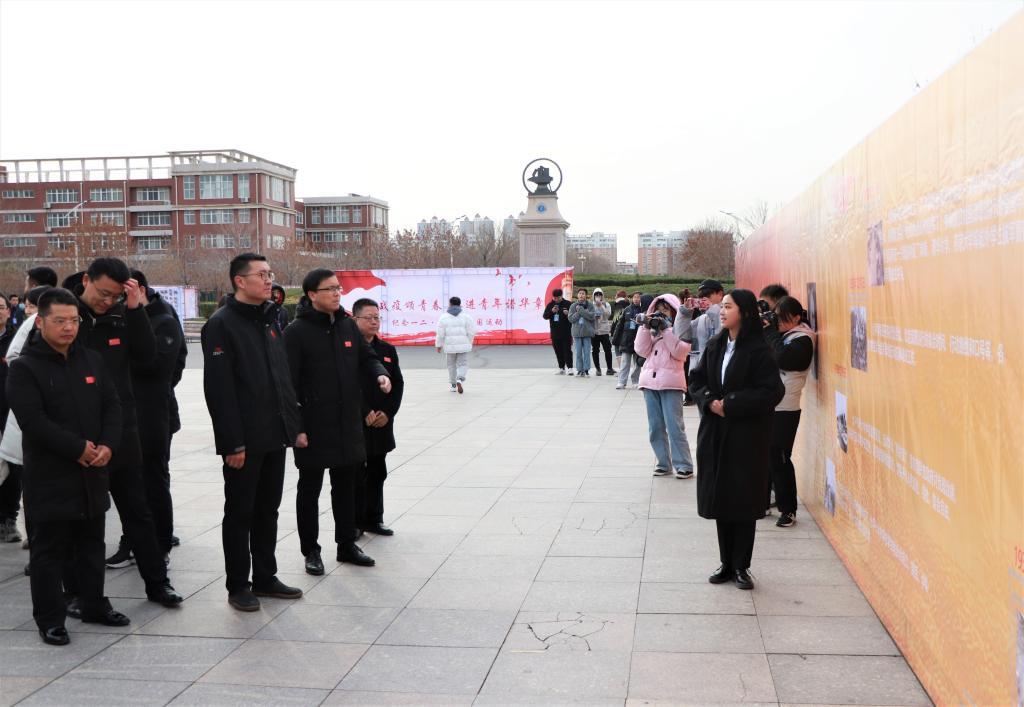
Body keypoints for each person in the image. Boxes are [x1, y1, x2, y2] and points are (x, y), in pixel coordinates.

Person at [6, 288, 129, 644]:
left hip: (92, 470)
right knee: (49, 551)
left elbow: (112, 405)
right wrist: (78, 449)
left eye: (73, 320)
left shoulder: (91, 360)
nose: (68, 328)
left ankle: (94, 605)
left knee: (92, 543)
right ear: (40, 322)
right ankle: (50, 618)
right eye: (59, 321)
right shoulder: (25, 368)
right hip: (50, 474)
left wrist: (107, 445)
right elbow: (33, 421)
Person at [72, 258, 182, 609]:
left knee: (138, 511)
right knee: (86, 519)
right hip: (81, 437)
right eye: (103, 293)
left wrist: (135, 310)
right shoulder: (66, 315)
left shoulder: (124, 314)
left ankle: (158, 584)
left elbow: (148, 358)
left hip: (122, 430)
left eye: (115, 295)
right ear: (86, 280)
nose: (107, 301)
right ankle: (82, 594)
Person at [202, 253, 307, 611]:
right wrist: (232, 443)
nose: (268, 280)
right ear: (239, 280)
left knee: (268, 510)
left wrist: (294, 427)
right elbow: (219, 391)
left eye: (269, 273)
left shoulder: (271, 319)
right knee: (240, 513)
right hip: (244, 440)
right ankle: (238, 585)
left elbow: (283, 379)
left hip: (274, 434)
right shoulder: (221, 324)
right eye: (261, 274)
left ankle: (265, 576)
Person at [284, 269, 391, 576]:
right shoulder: (296, 332)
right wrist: (297, 428)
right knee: (310, 490)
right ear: (311, 295)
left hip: (347, 423)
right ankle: (311, 551)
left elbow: (367, 357)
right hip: (314, 426)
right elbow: (288, 384)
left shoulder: (346, 325)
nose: (336, 293)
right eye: (329, 289)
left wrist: (380, 374)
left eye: (338, 288)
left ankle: (346, 544)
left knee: (346, 487)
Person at [689, 289, 784, 591]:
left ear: (744, 311)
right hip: (716, 434)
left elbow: (772, 391)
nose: (722, 311)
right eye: (722, 306)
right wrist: (709, 401)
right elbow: (697, 380)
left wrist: (730, 404)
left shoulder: (759, 349)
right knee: (722, 498)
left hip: (746, 437)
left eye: (728, 307)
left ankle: (742, 566)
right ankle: (726, 563)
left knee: (742, 500)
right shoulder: (716, 344)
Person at [121, 270, 185, 559]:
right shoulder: (115, 319)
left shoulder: (164, 320)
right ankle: (131, 541)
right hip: (123, 415)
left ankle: (161, 543)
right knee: (128, 484)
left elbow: (165, 366)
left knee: (154, 480)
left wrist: (159, 390)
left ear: (140, 290)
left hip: (155, 414)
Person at [0, 286, 52, 555]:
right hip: (19, 414)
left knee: (17, 472)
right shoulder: (27, 332)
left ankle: (10, 519)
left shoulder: (18, 334)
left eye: (0, 308)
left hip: (15, 411)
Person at [352, 297, 405, 537]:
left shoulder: (387, 350)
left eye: (377, 317)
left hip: (381, 423)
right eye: (369, 317)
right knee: (356, 474)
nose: (374, 322)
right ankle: (355, 522)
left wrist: (387, 413)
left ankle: (374, 519)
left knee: (377, 471)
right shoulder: (348, 349)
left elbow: (398, 383)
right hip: (357, 422)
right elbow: (348, 384)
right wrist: (364, 411)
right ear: (355, 319)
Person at [763, 296, 815, 527]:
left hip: (786, 406)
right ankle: (762, 502)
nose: (779, 323)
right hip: (767, 402)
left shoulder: (803, 338)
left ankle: (788, 510)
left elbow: (783, 359)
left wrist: (770, 333)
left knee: (780, 457)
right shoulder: (782, 335)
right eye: (777, 318)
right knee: (764, 456)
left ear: (796, 317)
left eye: (783, 319)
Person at [635, 294, 694, 479]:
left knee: (674, 426)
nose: (661, 314)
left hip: (671, 384)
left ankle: (684, 465)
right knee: (655, 427)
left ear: (674, 312)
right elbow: (640, 350)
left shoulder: (680, 330)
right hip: (649, 384)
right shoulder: (651, 332)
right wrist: (645, 327)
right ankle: (663, 463)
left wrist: (666, 329)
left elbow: (680, 352)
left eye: (666, 310)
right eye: (658, 310)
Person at [689, 279, 726, 411]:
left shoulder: (726, 316)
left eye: (708, 295)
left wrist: (713, 310)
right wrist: (684, 313)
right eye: (701, 297)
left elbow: (722, 334)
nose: (704, 299)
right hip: (704, 371)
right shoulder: (703, 318)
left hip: (722, 373)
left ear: (720, 294)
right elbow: (681, 334)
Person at [435, 296, 476, 393]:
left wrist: (438, 345)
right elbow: (471, 331)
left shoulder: (443, 317)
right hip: (463, 346)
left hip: (449, 346)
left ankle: (453, 385)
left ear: (450, 304)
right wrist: (469, 342)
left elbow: (440, 333)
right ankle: (460, 379)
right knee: (463, 364)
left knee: (451, 365)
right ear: (460, 304)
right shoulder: (466, 316)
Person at [543, 288, 573, 374]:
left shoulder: (568, 304)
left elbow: (573, 317)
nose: (556, 299)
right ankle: (561, 368)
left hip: (566, 332)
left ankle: (570, 368)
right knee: (558, 351)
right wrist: (552, 311)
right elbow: (545, 316)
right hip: (555, 333)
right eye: (554, 298)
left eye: (558, 298)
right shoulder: (550, 305)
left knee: (567, 351)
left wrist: (568, 314)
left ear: (561, 296)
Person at [568, 288, 596, 376]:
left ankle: (586, 369)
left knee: (587, 352)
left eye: (583, 293)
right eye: (580, 293)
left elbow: (592, 316)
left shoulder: (590, 305)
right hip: (576, 333)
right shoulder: (573, 306)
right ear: (577, 295)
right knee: (578, 353)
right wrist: (579, 312)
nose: (581, 295)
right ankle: (580, 369)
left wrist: (580, 310)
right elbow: (571, 319)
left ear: (586, 295)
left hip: (587, 332)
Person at [590, 288, 615, 376]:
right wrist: (594, 316)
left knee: (607, 349)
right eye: (596, 295)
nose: (598, 296)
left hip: (604, 331)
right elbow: (588, 316)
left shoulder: (606, 304)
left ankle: (609, 368)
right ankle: (598, 369)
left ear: (602, 296)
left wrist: (601, 306)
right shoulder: (591, 305)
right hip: (594, 331)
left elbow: (608, 315)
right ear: (593, 296)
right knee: (595, 350)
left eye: (599, 295)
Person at [609, 289, 629, 370]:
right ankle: (624, 369)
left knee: (617, 349)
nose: (614, 297)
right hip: (625, 331)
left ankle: (621, 370)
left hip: (618, 331)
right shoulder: (628, 305)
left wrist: (612, 331)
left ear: (618, 296)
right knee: (624, 351)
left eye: (616, 295)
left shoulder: (618, 305)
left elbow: (615, 320)